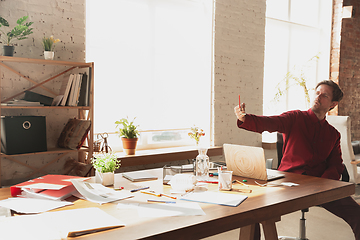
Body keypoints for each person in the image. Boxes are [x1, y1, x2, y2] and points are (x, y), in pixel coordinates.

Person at [234, 80, 360, 240]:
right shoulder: (295, 117)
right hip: (287, 183)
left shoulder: (333, 134)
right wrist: (246, 118)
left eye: (325, 95)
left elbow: (336, 165)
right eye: (317, 92)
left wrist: (324, 184)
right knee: (253, 209)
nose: (318, 97)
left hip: (320, 185)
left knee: (357, 214)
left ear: (333, 104)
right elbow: (270, 122)